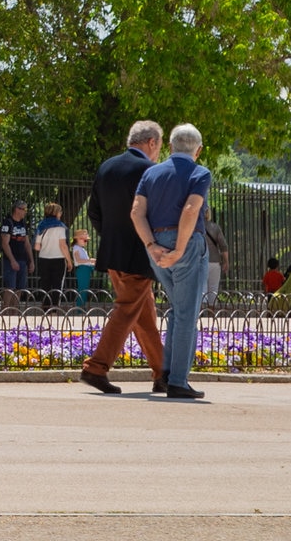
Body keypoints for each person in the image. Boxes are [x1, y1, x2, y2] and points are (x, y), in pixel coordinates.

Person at [80, 121, 167, 395]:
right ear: (151, 142)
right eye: (159, 147)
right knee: (128, 310)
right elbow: (157, 216)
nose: (159, 153)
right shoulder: (151, 171)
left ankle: (163, 372)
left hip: (113, 253)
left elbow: (93, 212)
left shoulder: (107, 167)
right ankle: (96, 367)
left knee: (143, 315)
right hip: (139, 253)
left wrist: (112, 237)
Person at [135, 122, 213, 400]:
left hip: (155, 246)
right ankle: (177, 380)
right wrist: (179, 249)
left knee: (178, 310)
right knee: (186, 313)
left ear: (169, 146)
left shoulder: (151, 173)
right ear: (199, 150)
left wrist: (151, 245)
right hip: (187, 246)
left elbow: (136, 213)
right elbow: (191, 210)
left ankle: (167, 374)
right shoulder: (200, 173)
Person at [31, 202, 70, 295]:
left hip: (43, 259)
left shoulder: (41, 226)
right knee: (57, 287)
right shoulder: (60, 227)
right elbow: (63, 246)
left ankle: (45, 308)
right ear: (56, 213)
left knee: (45, 286)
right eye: (60, 211)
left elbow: (36, 247)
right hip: (58, 259)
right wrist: (69, 261)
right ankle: (55, 309)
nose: (61, 213)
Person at [0, 202, 34, 295]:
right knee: (10, 289)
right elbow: (5, 243)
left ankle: (15, 310)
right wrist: (12, 260)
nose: (25, 212)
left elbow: (27, 244)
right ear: (17, 209)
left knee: (19, 290)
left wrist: (31, 261)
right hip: (10, 261)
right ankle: (6, 309)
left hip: (22, 260)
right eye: (23, 209)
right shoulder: (8, 223)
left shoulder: (23, 224)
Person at [70, 230, 96, 303]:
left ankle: (81, 308)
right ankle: (79, 309)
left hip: (86, 269)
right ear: (78, 239)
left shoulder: (81, 249)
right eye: (84, 240)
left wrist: (91, 261)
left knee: (85, 290)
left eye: (86, 240)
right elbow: (78, 260)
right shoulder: (76, 248)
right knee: (82, 290)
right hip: (82, 270)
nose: (85, 242)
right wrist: (90, 261)